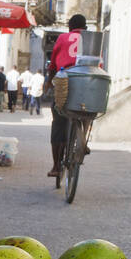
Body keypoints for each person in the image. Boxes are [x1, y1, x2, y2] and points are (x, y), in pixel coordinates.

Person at [48, 14, 88, 176]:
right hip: (85, 81)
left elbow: (53, 63)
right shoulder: (90, 38)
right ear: (84, 28)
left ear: (70, 27)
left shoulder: (64, 38)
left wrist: (49, 82)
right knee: (87, 111)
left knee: (58, 120)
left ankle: (56, 166)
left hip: (64, 81)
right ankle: (83, 138)